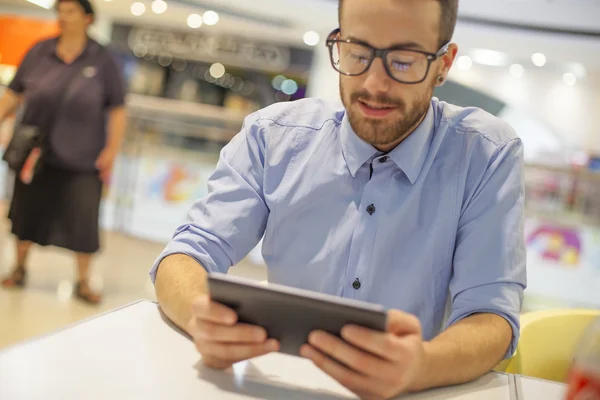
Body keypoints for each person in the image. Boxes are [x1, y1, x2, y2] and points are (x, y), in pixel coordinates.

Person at [152, 0, 526, 398]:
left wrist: (421, 365)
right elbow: (187, 253)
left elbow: (492, 317)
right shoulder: (273, 137)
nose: (374, 85)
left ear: (444, 63)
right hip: (275, 383)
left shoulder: (485, 154)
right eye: (357, 54)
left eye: (403, 61)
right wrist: (200, 317)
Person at [0, 0, 127, 304]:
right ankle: (19, 268)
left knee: (83, 219)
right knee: (25, 213)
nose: (63, 17)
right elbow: (14, 94)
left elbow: (118, 109)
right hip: (36, 152)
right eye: (60, 11)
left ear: (88, 18)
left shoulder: (102, 59)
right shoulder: (39, 51)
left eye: (71, 12)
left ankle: (83, 281)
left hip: (83, 155)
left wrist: (112, 150)